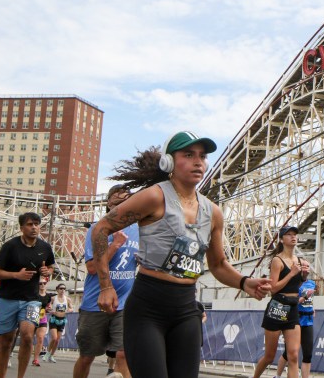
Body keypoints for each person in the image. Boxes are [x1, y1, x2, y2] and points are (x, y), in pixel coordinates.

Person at [92, 131, 271, 378]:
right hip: (147, 310)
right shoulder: (155, 196)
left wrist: (244, 281)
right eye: (188, 155)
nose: (198, 161)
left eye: (203, 156)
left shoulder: (213, 212)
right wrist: (105, 286)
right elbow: (102, 229)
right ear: (169, 162)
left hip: (186, 311)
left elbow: (218, 265)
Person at [73, 183, 137, 378]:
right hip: (95, 303)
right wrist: (115, 245)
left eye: (127, 200)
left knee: (124, 354)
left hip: (125, 303)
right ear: (108, 203)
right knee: (87, 357)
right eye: (117, 199)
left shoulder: (139, 230)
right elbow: (92, 268)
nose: (121, 205)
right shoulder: (97, 229)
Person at [0, 211, 56, 378]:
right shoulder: (10, 246)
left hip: (31, 300)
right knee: (6, 341)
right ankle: (1, 375)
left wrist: (47, 271)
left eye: (37, 224)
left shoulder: (45, 247)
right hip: (7, 299)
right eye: (30, 224)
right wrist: (16, 275)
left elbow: (51, 267)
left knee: (27, 335)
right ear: (22, 227)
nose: (34, 227)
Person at [253, 226, 308, 378]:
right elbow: (273, 289)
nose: (293, 237)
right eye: (289, 235)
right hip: (277, 307)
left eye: (295, 234)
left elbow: (297, 286)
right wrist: (291, 274)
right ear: (282, 239)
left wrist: (303, 276)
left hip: (293, 307)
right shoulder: (277, 261)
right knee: (269, 357)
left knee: (294, 355)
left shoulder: (300, 261)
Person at [274, 259, 315, 378]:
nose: (306, 268)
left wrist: (313, 308)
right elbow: (292, 301)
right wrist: (305, 297)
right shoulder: (295, 284)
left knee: (308, 354)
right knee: (289, 353)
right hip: (295, 319)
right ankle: (277, 375)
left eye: (308, 265)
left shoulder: (312, 283)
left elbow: (311, 301)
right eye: (303, 265)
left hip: (308, 321)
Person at [44, 283, 73, 363]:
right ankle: (47, 353)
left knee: (57, 340)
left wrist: (69, 310)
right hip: (54, 319)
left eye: (64, 288)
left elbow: (71, 308)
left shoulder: (67, 299)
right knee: (54, 337)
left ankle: (51, 355)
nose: (62, 290)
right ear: (57, 289)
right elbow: (47, 307)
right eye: (61, 288)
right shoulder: (53, 298)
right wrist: (51, 311)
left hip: (62, 320)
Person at [31, 278, 52, 366]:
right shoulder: (34, 294)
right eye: (40, 283)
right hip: (33, 318)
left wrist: (48, 309)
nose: (42, 285)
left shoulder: (48, 296)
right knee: (29, 339)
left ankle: (36, 359)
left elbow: (48, 306)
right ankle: (26, 355)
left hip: (42, 318)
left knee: (40, 338)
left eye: (44, 283)